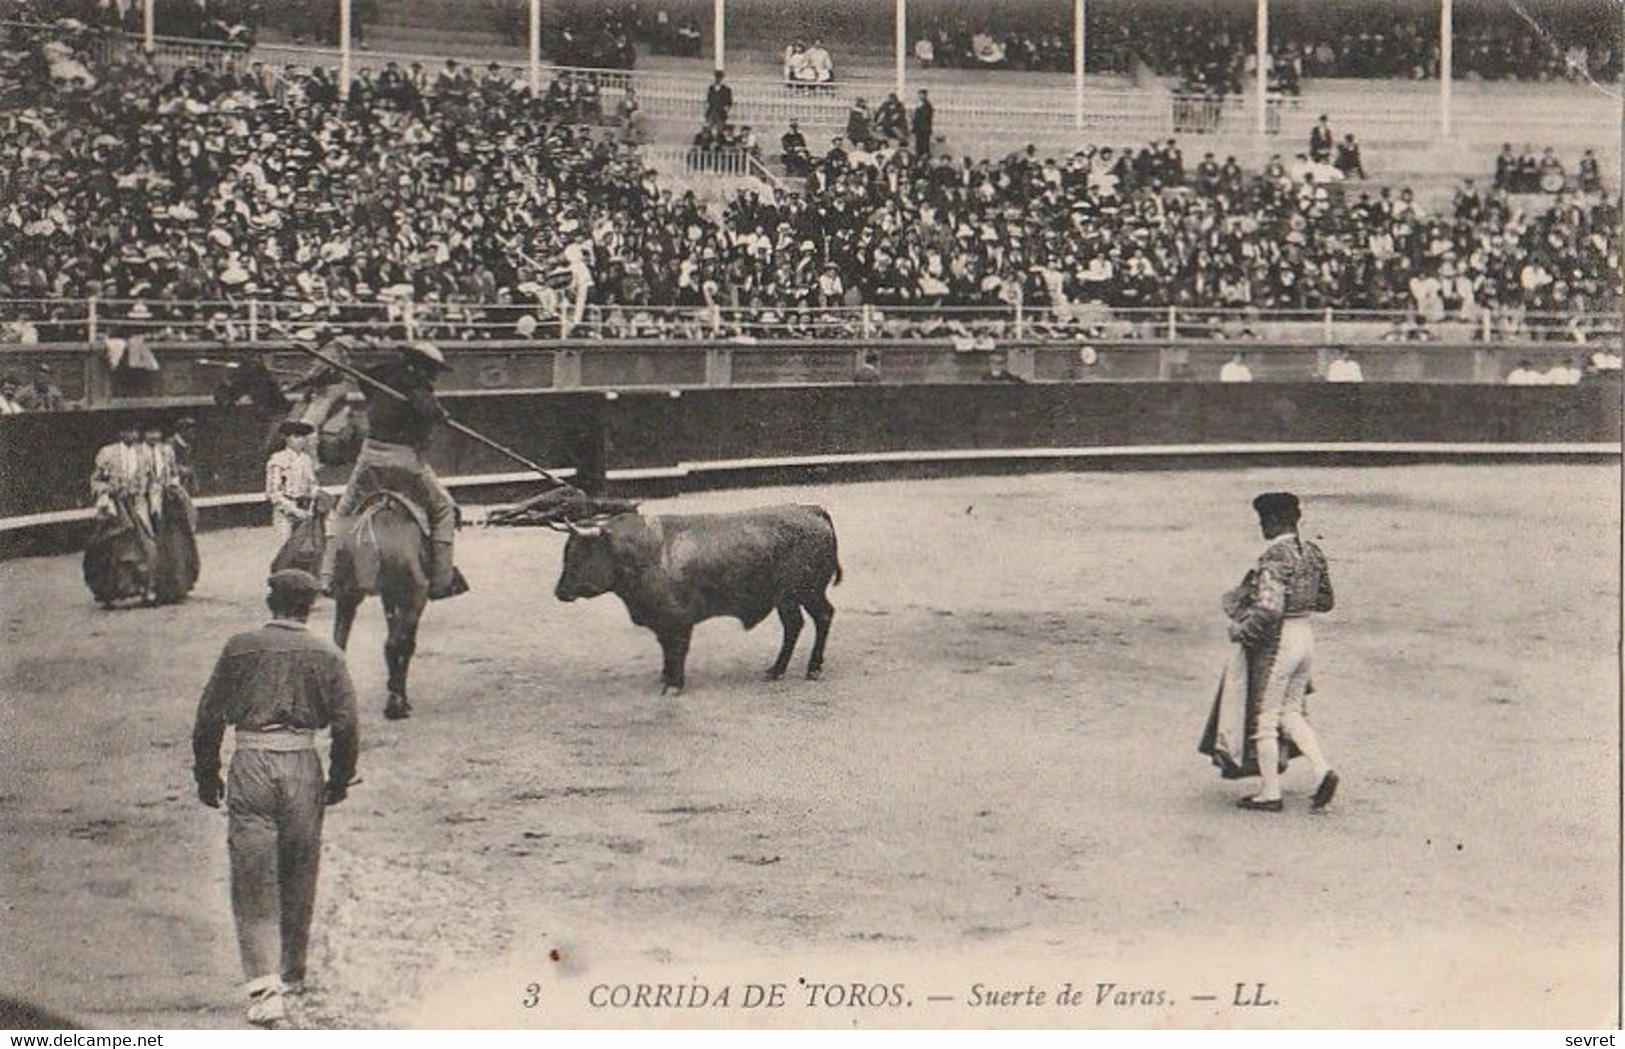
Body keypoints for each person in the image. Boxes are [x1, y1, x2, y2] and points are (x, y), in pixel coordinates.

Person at [192, 569, 359, 1028]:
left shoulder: (240, 646)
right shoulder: (327, 654)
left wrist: (207, 773)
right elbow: (346, 725)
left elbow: (208, 717)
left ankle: (265, 986)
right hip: (302, 763)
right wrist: (340, 779)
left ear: (271, 600)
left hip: (251, 762)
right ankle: (293, 972)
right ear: (311, 605)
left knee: (251, 873)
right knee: (300, 866)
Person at [321, 343, 464, 600]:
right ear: (426, 367)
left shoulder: (381, 375)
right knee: (444, 509)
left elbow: (360, 378)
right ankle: (443, 580)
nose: (434, 376)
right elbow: (429, 411)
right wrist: (442, 414)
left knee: (343, 510)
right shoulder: (420, 387)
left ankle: (328, 575)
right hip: (405, 461)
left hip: (369, 458)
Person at [1226, 492, 1339, 812]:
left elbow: (1268, 611)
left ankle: (1270, 793)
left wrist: (1242, 631)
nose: (1262, 526)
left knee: (1264, 717)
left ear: (1275, 521)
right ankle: (1323, 771)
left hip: (1280, 641)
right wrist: (1300, 597)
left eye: (1264, 521)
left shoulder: (1274, 557)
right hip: (1306, 636)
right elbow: (1327, 601)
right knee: (1290, 711)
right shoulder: (1313, 553)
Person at [86, 422, 158, 606]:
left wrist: (154, 503)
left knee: (147, 546)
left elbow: (151, 482)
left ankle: (146, 589)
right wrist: (108, 491)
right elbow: (95, 481)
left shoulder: (143, 454)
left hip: (138, 503)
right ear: (120, 432)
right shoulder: (107, 453)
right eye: (128, 430)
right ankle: (110, 592)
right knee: (114, 549)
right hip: (117, 506)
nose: (132, 434)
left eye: (134, 430)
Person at [267, 421, 321, 550]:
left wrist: (314, 492)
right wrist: (294, 510)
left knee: (305, 548)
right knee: (285, 548)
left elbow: (312, 483)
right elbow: (273, 493)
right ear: (286, 438)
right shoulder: (278, 459)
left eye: (303, 437)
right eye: (296, 437)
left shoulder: (306, 459)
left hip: (306, 508)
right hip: (285, 511)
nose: (300, 441)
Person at [911, 89, 934, 157]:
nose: (920, 96)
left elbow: (925, 117)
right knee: (919, 144)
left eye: (921, 95)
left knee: (924, 144)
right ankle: (919, 155)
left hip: (924, 128)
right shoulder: (919, 104)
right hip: (919, 128)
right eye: (919, 95)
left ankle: (924, 156)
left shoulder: (927, 105)